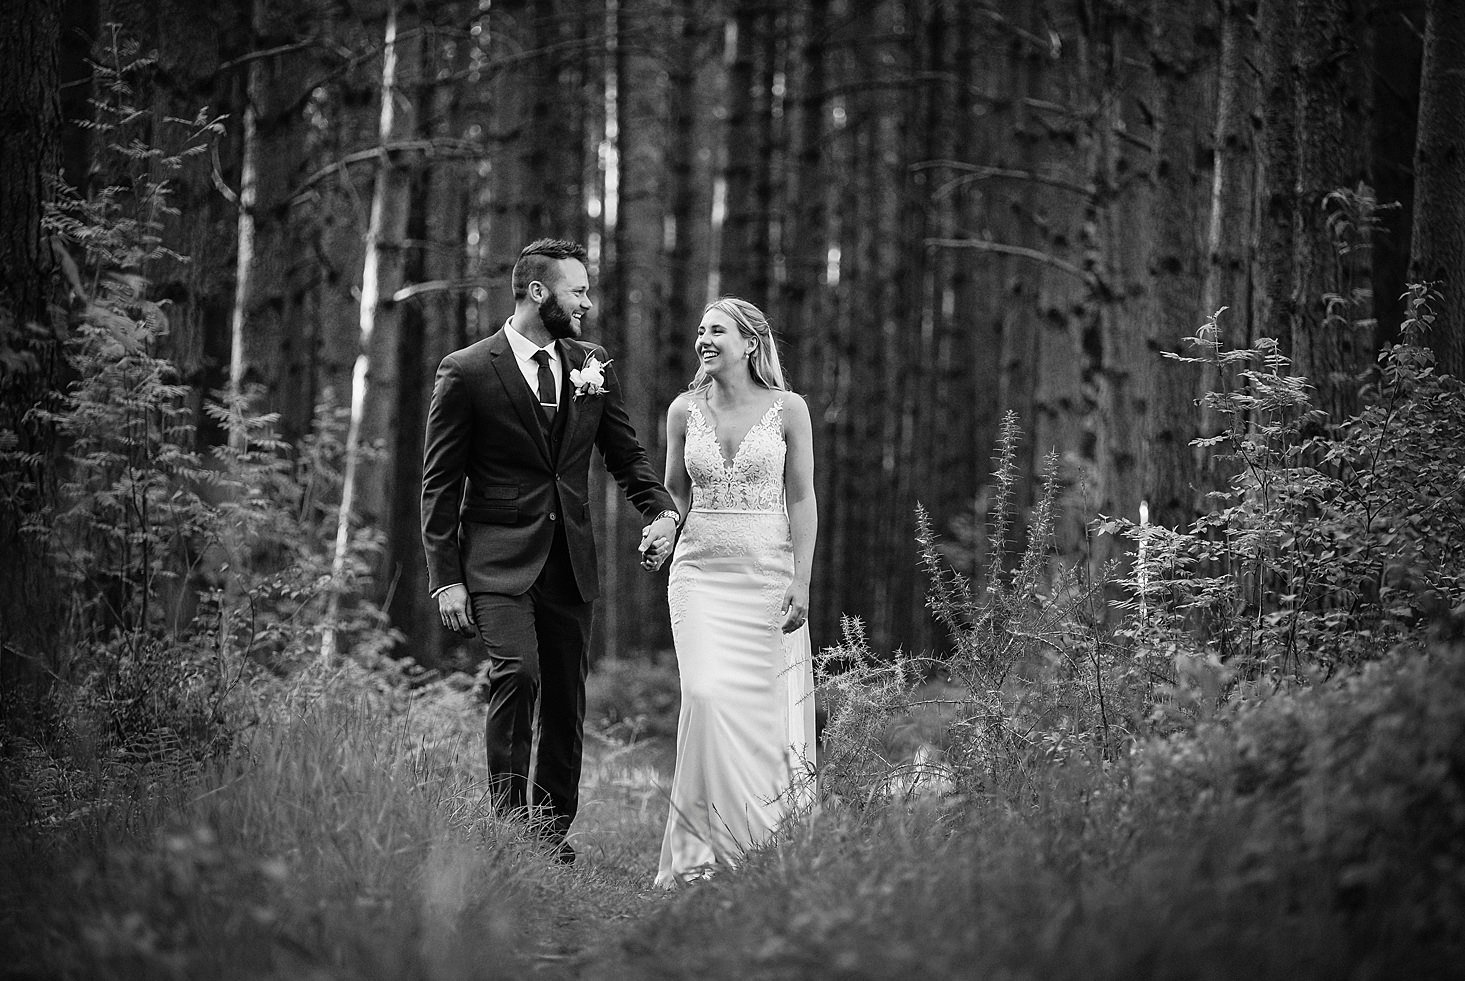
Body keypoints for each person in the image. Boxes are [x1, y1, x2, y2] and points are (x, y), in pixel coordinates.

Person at [421, 238, 679, 865]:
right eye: (578, 291)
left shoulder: (593, 366)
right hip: (495, 560)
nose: (587, 303)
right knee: (518, 673)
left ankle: (547, 833)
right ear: (539, 293)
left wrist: (663, 509)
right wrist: (445, 577)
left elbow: (625, 454)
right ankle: (507, 828)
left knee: (566, 696)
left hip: (571, 557)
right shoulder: (467, 371)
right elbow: (440, 481)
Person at [644, 296, 818, 888]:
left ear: (751, 342)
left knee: (758, 718)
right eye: (700, 331)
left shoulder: (788, 409)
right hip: (698, 577)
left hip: (767, 578)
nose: (704, 339)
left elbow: (801, 498)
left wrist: (801, 579)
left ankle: (755, 849)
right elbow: (675, 495)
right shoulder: (682, 410)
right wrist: (664, 528)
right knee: (708, 697)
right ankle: (697, 853)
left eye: (717, 331)